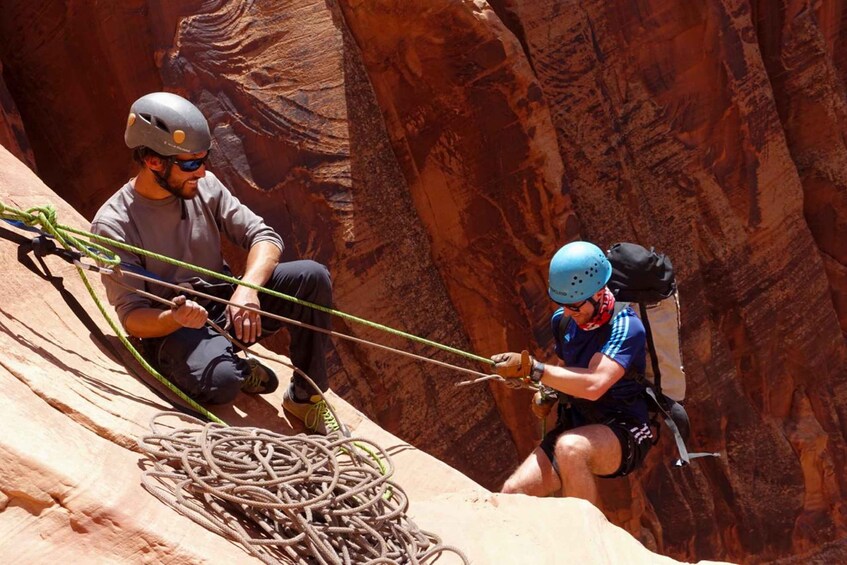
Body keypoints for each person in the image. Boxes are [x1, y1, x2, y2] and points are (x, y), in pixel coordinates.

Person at [91, 91, 338, 434]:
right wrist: (174, 317)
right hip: (175, 328)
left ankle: (304, 398)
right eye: (190, 162)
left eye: (203, 158)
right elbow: (133, 318)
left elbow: (263, 237)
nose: (202, 170)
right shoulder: (113, 224)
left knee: (312, 277)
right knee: (221, 382)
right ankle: (230, 367)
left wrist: (247, 290)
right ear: (153, 162)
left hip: (227, 303)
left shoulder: (203, 186)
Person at [491, 241, 653, 505]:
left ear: (599, 293)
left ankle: (583, 539)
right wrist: (550, 392)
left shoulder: (626, 327)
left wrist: (536, 369)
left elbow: (594, 383)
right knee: (512, 493)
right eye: (561, 303)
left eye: (575, 305)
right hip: (578, 423)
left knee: (570, 449)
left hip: (625, 428)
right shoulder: (564, 320)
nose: (567, 311)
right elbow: (567, 369)